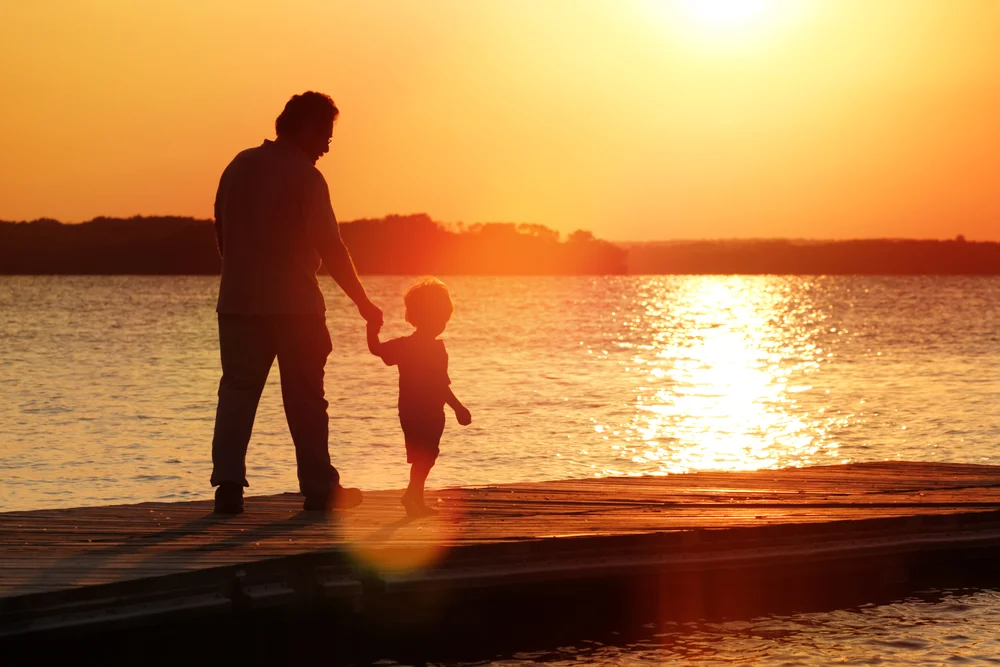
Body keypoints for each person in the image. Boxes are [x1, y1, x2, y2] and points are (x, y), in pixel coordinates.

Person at [210, 91, 382, 514]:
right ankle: (320, 489)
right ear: (305, 127)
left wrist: (242, 278)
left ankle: (228, 488)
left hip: (238, 303)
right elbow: (332, 247)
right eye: (325, 133)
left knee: (236, 393)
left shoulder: (237, 166)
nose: (328, 144)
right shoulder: (306, 176)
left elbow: (222, 234)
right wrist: (363, 302)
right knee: (305, 397)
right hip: (296, 306)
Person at [366, 278, 471, 517]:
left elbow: (376, 349)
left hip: (420, 411)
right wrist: (458, 408)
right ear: (420, 317)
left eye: (445, 318)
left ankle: (414, 496)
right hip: (424, 411)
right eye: (440, 318)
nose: (442, 324)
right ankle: (412, 496)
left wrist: (372, 329)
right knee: (426, 454)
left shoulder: (412, 346)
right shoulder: (429, 349)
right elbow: (441, 385)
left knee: (426, 454)